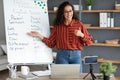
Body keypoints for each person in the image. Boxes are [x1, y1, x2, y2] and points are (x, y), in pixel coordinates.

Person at [27, 1, 93, 72]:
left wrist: (81, 35)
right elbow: (51, 43)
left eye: (70, 11)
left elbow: (89, 42)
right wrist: (39, 35)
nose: (69, 14)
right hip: (62, 56)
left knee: (77, 78)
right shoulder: (58, 26)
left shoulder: (79, 25)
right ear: (62, 13)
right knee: (61, 78)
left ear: (73, 11)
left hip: (76, 56)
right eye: (66, 12)